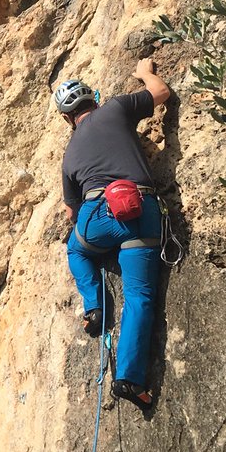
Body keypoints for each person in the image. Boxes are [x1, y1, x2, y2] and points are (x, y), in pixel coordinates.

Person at [54, 59, 171, 408]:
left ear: (67, 118)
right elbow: (160, 93)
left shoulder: (70, 153)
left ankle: (96, 306)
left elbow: (70, 211)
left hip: (95, 216)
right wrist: (145, 71)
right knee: (140, 296)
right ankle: (130, 380)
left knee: (77, 250)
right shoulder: (117, 108)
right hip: (137, 210)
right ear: (94, 99)